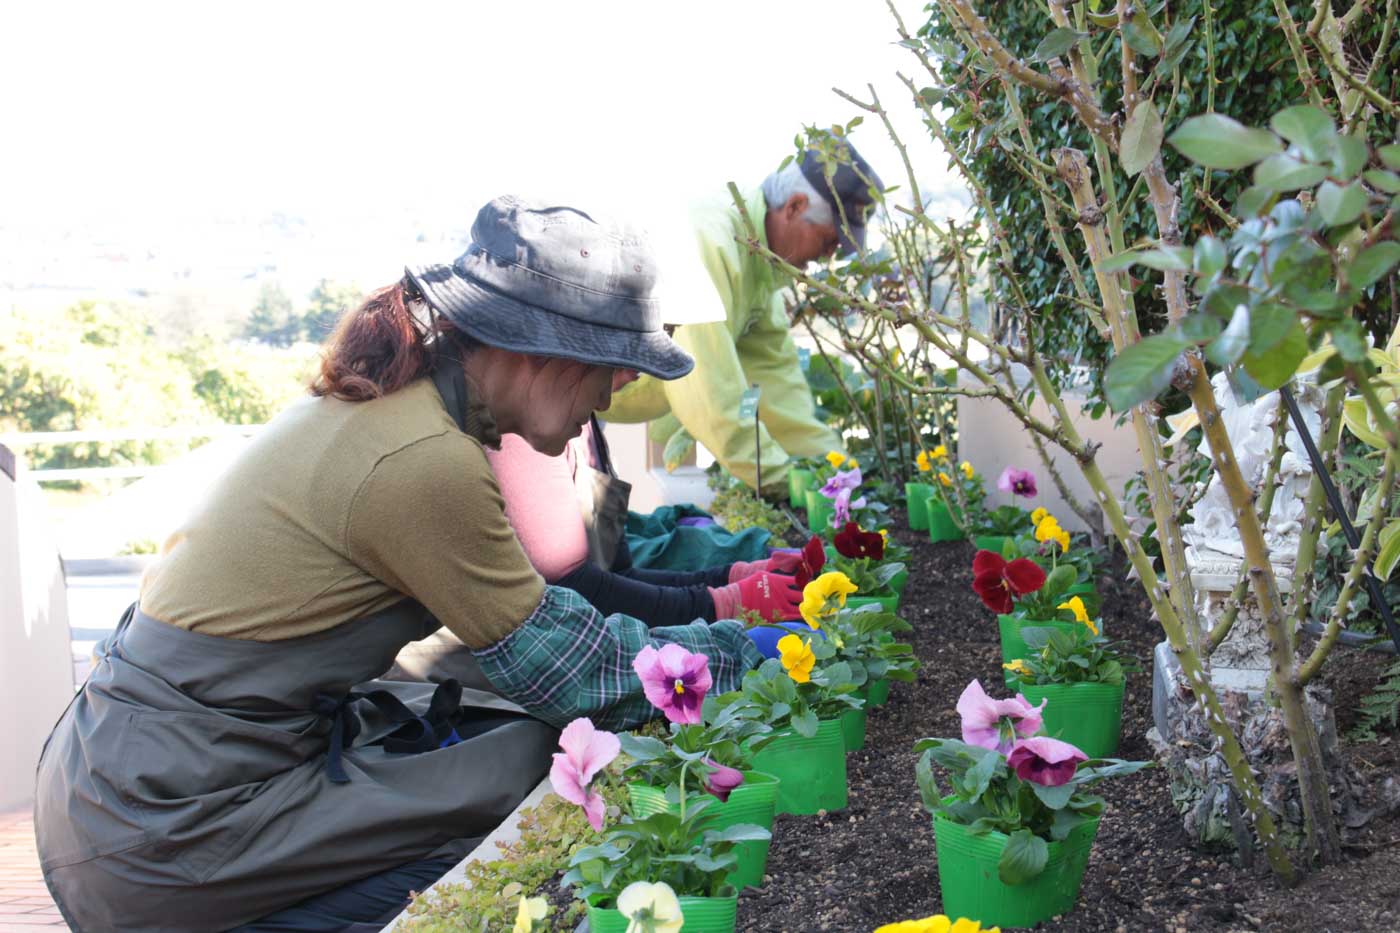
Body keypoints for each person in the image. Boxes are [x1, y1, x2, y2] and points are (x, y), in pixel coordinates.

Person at [34, 196, 765, 933]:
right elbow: (568, 670)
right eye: (611, 369)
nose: (614, 394)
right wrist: (753, 653)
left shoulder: (406, 410)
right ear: (542, 351)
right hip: (165, 820)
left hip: (125, 788)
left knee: (500, 744)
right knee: (545, 767)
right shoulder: (425, 459)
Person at [600, 141, 884, 493]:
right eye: (828, 240)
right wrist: (787, 484)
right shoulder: (710, 240)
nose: (827, 256)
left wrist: (841, 475)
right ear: (795, 206)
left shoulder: (761, 269)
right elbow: (709, 394)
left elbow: (778, 389)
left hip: (593, 399)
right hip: (560, 387)